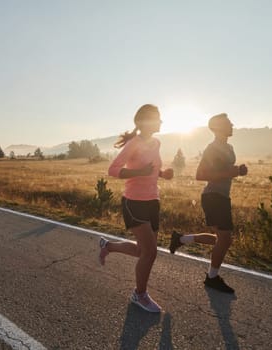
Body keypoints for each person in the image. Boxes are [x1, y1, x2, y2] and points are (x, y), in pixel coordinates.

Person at [99, 104, 174, 313]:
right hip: (134, 202)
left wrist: (163, 173)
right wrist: (140, 172)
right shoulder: (133, 144)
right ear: (143, 122)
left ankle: (109, 247)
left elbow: (154, 168)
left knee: (143, 250)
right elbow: (113, 170)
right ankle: (139, 295)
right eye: (157, 118)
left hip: (153, 201)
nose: (161, 121)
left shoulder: (156, 143)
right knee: (150, 253)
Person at [169, 113, 247, 293]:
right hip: (213, 196)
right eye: (228, 123)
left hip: (222, 196)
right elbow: (200, 175)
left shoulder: (229, 147)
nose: (232, 124)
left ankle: (180, 239)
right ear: (218, 127)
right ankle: (212, 278)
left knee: (222, 239)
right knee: (225, 239)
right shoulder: (212, 148)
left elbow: (224, 170)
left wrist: (237, 171)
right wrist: (233, 172)